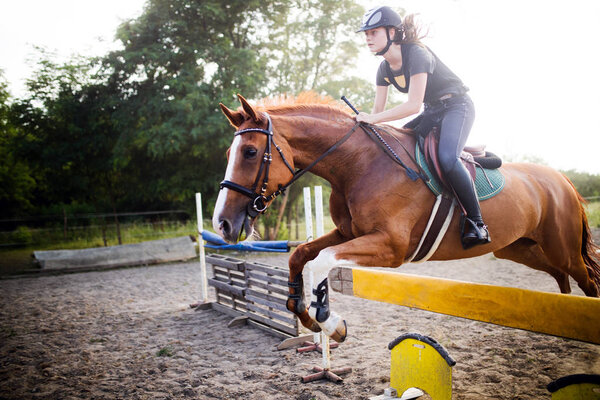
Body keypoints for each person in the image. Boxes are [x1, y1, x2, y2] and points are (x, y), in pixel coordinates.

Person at [355, 6, 490, 249]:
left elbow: (413, 105)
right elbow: (376, 113)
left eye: (373, 32)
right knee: (397, 146)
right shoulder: (383, 69)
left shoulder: (416, 54)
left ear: (392, 32)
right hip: (432, 111)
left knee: (447, 158)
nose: (368, 38)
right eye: (366, 33)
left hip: (456, 106)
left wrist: (373, 119)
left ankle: (477, 223)